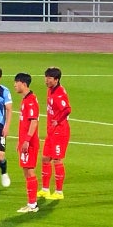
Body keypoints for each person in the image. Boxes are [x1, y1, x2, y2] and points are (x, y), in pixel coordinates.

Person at [38, 68, 71, 201]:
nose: (46, 80)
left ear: (56, 80)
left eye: (49, 78)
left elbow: (67, 109)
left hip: (60, 131)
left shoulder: (59, 94)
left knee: (57, 159)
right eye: (46, 77)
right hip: (51, 132)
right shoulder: (50, 90)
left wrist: (57, 120)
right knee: (45, 158)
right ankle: (45, 189)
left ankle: (59, 191)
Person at [14, 73, 40, 213]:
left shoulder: (30, 101)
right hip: (25, 142)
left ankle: (32, 204)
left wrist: (27, 141)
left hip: (29, 143)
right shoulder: (26, 99)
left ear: (23, 83)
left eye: (16, 82)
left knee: (30, 172)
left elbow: (34, 122)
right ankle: (31, 203)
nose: (14, 85)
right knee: (26, 172)